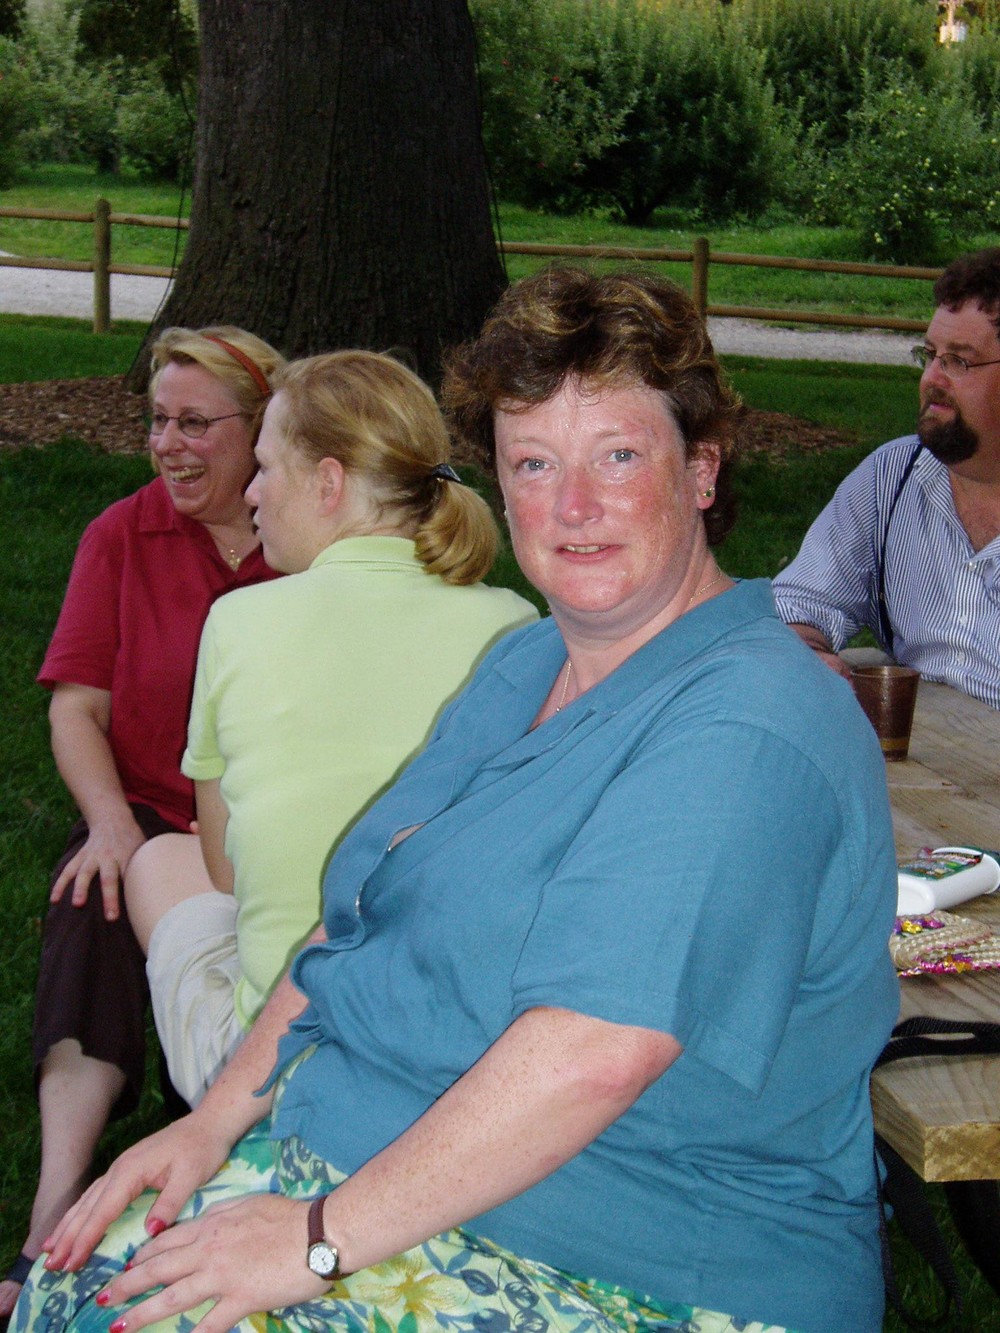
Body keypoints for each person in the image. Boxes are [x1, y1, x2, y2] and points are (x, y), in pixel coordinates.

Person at [22, 269, 898, 1333]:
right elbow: (354, 927)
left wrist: (316, 1239)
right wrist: (211, 1125)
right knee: (74, 1290)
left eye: (617, 456)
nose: (573, 506)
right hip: (386, 1167)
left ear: (702, 469)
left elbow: (595, 1052)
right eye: (534, 463)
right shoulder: (523, 665)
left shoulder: (750, 725)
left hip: (631, 1256)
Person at [122, 350, 537, 1109]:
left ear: (328, 482)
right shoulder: (516, 627)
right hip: (448, 1054)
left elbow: (224, 871)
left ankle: (210, 1121)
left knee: (157, 862)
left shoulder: (238, 621)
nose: (250, 492)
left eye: (264, 468)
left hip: (276, 1064)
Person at [0, 326, 284, 1324]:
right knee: (94, 898)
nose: (168, 444)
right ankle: (51, 1216)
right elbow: (75, 708)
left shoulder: (314, 540)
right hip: (150, 806)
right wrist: (112, 825)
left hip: (273, 821)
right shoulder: (122, 534)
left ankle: (224, 1160)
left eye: (195, 423)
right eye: (158, 421)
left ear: (264, 432)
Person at [772, 246, 1000, 707]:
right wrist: (807, 651)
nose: (932, 379)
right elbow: (800, 601)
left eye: (959, 361)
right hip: (921, 742)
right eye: (930, 355)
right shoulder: (892, 477)